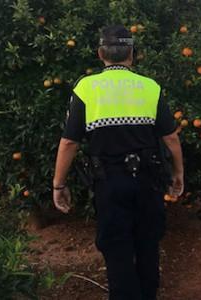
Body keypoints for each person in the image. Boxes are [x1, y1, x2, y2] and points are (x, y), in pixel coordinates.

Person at [52, 25, 184, 300]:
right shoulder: (150, 87)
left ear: (101, 54)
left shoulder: (86, 88)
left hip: (109, 184)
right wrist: (178, 173)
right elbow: (171, 138)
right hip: (149, 181)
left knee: (117, 251)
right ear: (132, 55)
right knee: (148, 245)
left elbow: (69, 142)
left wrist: (59, 185)